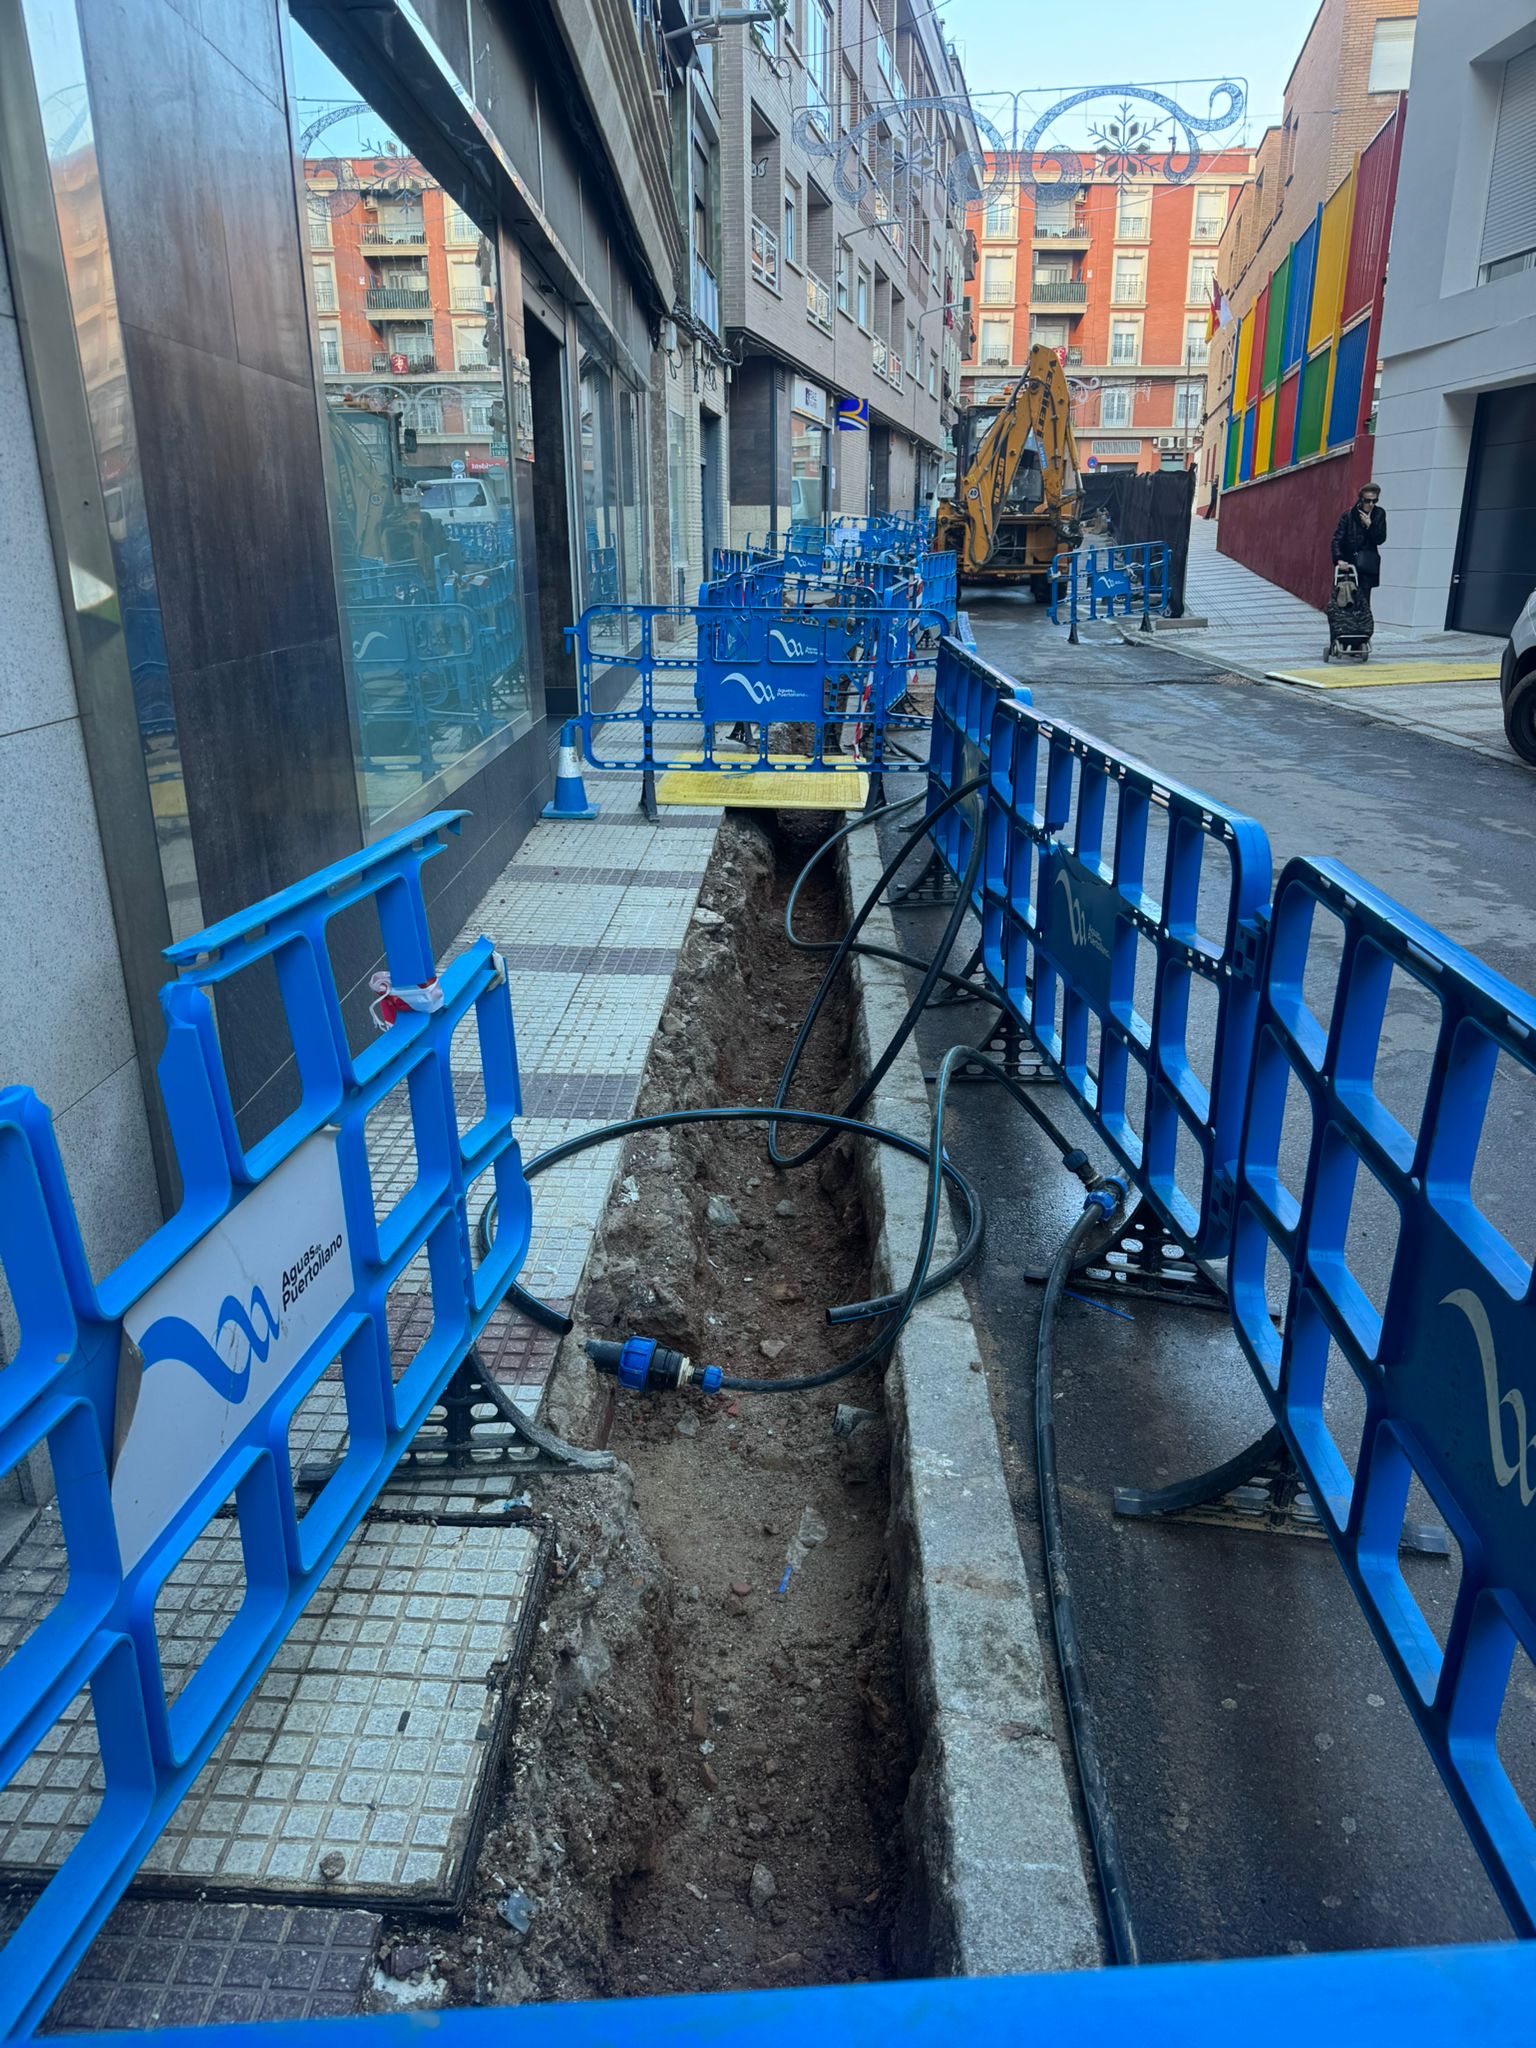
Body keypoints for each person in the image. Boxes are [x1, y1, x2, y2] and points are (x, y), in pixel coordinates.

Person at [1331, 484, 1386, 615]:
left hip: (1367, 566)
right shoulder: (1348, 516)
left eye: (1375, 500)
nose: (1371, 504)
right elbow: (1337, 539)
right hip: (1349, 566)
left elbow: (1380, 539)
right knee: (1345, 600)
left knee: (1364, 603)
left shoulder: (1379, 514)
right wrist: (1339, 559)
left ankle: (1363, 632)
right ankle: (1344, 631)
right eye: (1368, 500)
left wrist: (1370, 526)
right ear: (1361, 499)